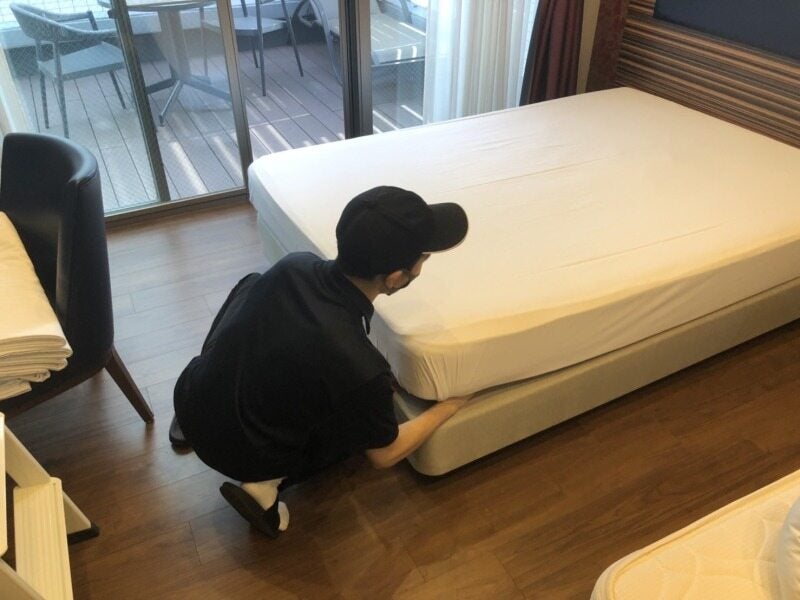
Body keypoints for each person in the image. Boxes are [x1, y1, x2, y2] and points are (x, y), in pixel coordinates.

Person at [170, 186, 470, 537]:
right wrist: (451, 405)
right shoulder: (362, 367)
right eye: (423, 258)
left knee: (253, 284)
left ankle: (208, 398)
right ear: (395, 277)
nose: (422, 265)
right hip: (241, 454)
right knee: (348, 429)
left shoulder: (295, 264)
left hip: (190, 395)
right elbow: (384, 454)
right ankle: (264, 485)